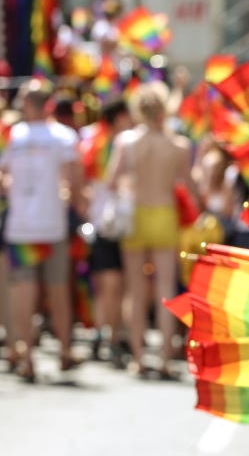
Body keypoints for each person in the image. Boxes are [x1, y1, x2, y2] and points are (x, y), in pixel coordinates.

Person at [107, 81, 198, 379]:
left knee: (134, 289)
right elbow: (190, 185)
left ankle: (137, 356)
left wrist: (126, 187)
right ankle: (165, 359)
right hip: (164, 215)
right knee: (165, 289)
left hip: (136, 215)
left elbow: (111, 181)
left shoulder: (126, 142)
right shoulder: (178, 145)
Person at [0, 79, 85, 381]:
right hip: (52, 225)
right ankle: (64, 350)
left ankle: (27, 357)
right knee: (58, 289)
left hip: (21, 226)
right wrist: (78, 205)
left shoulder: (15, 136)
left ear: (27, 105)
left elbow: (3, 177)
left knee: (24, 290)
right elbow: (75, 180)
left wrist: (17, 191)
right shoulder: (63, 137)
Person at [81, 95, 133, 368]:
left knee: (108, 285)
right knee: (113, 284)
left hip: (104, 220)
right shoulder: (110, 143)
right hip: (113, 222)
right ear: (119, 117)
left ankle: (107, 333)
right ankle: (111, 337)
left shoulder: (94, 140)